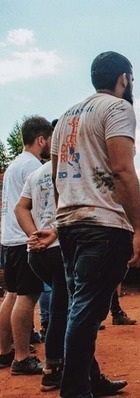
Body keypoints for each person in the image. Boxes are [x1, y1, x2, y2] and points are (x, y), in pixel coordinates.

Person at [51, 51, 140, 398]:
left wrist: (60, 217)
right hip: (103, 223)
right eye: (131, 78)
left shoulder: (64, 118)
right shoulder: (118, 108)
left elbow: (55, 176)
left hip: (70, 223)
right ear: (123, 78)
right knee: (87, 310)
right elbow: (123, 170)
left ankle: (89, 378)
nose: (132, 84)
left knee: (81, 304)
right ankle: (75, 390)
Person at [0, 116, 51, 376]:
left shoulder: (14, 165)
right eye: (49, 140)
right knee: (27, 296)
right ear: (41, 139)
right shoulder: (33, 166)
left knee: (11, 295)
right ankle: (21, 358)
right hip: (24, 239)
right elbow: (37, 205)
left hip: (9, 238)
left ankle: (5, 352)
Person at [14, 157, 68, 391]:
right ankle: (54, 369)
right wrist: (54, 233)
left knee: (61, 304)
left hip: (36, 253)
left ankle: (57, 366)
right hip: (59, 247)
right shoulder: (70, 165)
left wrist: (33, 235)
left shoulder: (36, 173)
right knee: (66, 309)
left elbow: (20, 207)